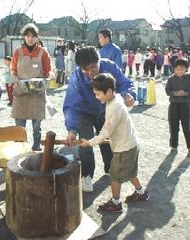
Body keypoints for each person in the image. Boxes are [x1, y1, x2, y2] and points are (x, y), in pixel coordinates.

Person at [63, 46, 136, 192]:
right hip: (84, 113)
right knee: (86, 143)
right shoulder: (77, 78)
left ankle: (110, 169)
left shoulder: (109, 66)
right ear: (80, 68)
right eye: (86, 70)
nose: (91, 72)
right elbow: (72, 105)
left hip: (106, 110)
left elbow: (125, 83)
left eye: (93, 67)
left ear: (99, 61)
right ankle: (87, 175)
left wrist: (130, 95)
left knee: (108, 141)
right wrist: (72, 128)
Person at [80, 73, 148, 213]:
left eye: (98, 94)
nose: (96, 97)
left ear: (109, 91)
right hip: (131, 144)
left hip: (124, 148)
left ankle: (116, 203)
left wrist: (89, 143)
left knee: (115, 176)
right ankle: (141, 193)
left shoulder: (113, 107)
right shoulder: (116, 99)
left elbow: (105, 132)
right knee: (131, 173)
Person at [11, 23, 52, 151]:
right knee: (19, 125)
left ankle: (36, 146)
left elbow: (49, 70)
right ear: (24, 37)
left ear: (37, 37)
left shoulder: (43, 52)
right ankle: (20, 149)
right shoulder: (17, 52)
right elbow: (12, 69)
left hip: (37, 93)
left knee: (36, 125)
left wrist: (48, 77)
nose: (30, 38)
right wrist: (15, 79)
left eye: (33, 36)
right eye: (28, 36)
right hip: (21, 92)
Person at [165, 58, 190, 158]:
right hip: (174, 105)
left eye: (182, 69)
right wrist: (175, 93)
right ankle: (174, 146)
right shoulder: (171, 79)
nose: (179, 71)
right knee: (173, 126)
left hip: (185, 105)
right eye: (177, 69)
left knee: (186, 126)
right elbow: (167, 91)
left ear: (186, 69)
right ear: (174, 69)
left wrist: (186, 93)